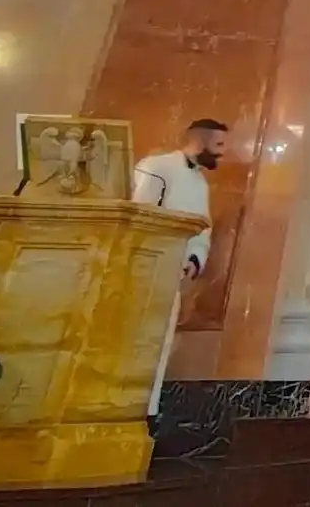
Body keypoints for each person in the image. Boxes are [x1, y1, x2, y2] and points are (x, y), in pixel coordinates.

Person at [132, 118, 226, 424]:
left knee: (160, 345)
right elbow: (141, 214)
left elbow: (203, 228)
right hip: (143, 270)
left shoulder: (200, 183)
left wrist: (195, 258)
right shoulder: (156, 167)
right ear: (200, 141)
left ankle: (147, 413)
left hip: (173, 274)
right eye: (219, 144)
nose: (223, 152)